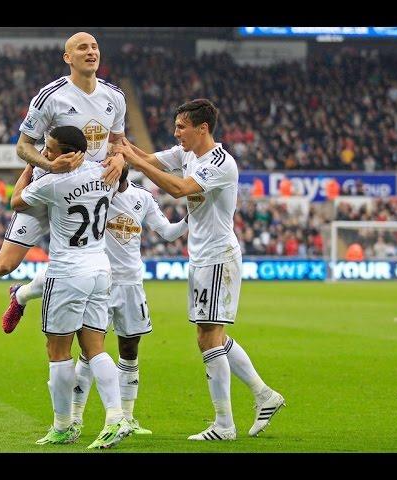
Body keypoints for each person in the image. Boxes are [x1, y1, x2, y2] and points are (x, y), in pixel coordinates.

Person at [114, 99, 285, 440]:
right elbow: (148, 158)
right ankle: (265, 395)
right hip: (202, 258)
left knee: (208, 339)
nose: (176, 133)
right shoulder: (186, 154)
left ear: (202, 128)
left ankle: (224, 424)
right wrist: (119, 144)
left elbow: (179, 188)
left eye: (181, 127)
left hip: (218, 258)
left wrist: (133, 160)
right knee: (213, 337)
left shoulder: (220, 163)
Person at [0, 31, 126, 324]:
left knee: (79, 265)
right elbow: (23, 146)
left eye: (94, 47)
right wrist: (50, 164)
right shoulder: (51, 97)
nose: (90, 51)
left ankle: (20, 296)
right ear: (68, 58)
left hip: (88, 192)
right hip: (50, 185)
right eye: (82, 48)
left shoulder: (115, 97)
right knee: (6, 263)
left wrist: (120, 158)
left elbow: (120, 141)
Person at [7, 165, 189, 435]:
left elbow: (169, 232)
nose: (115, 161)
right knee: (89, 351)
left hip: (131, 285)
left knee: (129, 350)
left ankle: (126, 418)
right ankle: (76, 417)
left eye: (119, 158)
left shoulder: (143, 198)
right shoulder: (96, 190)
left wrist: (191, 216)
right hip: (99, 279)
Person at [11, 125, 132, 449]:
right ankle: (116, 416)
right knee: (94, 348)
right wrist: (119, 160)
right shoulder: (106, 172)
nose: (45, 154)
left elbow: (16, 201)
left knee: (58, 351)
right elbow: (122, 179)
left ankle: (64, 426)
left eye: (49, 149)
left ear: (66, 152)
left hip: (67, 273)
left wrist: (31, 166)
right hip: (100, 267)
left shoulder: (52, 182)